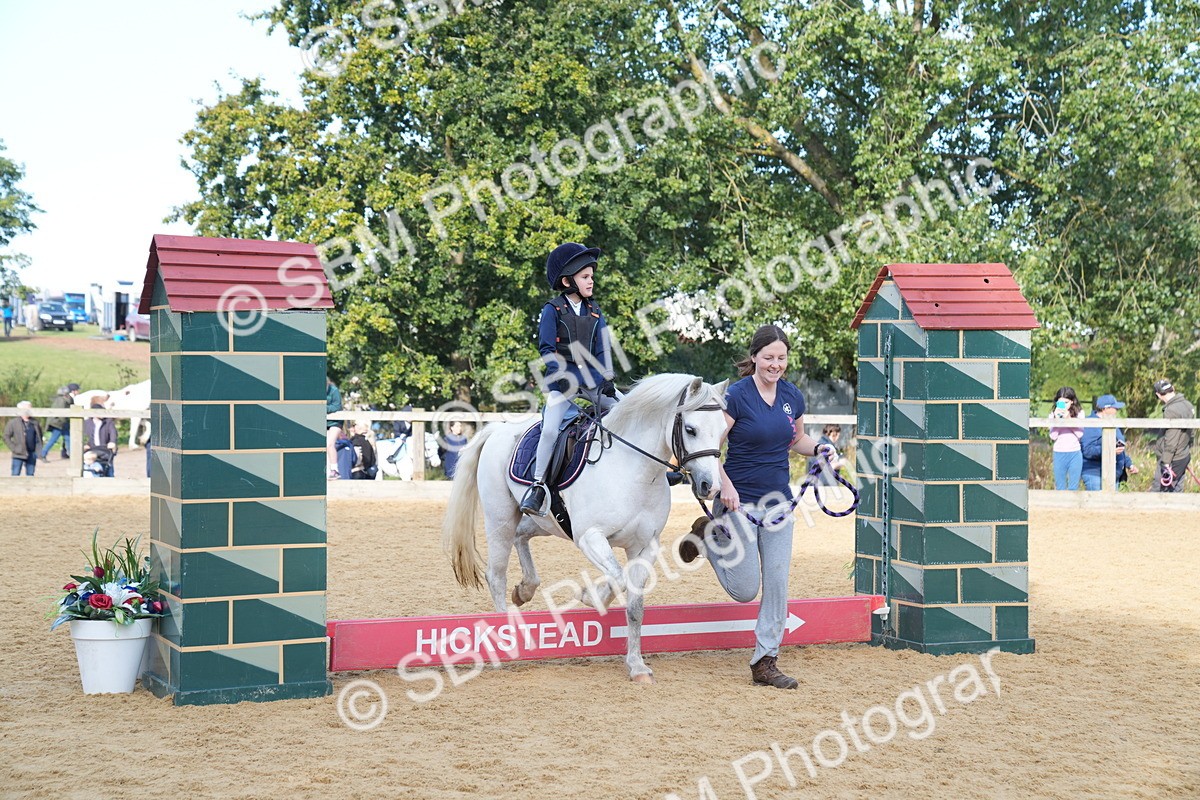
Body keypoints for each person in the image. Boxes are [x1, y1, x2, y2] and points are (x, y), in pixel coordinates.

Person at [692, 325, 834, 690]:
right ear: (754, 357)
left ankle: (765, 660)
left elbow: (797, 438)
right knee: (744, 590)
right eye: (768, 357)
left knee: (777, 582)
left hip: (778, 505)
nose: (775, 364)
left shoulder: (792, 397)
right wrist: (726, 485)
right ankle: (709, 538)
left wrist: (819, 448)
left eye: (781, 358)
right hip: (738, 503)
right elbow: (710, 446)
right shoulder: (737, 396)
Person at [519, 242, 618, 516]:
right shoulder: (552, 310)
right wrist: (558, 377)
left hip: (592, 380)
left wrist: (608, 378)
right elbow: (546, 349)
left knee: (626, 408)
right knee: (550, 429)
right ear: (567, 281)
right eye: (585, 277)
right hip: (562, 381)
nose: (591, 281)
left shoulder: (596, 311)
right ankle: (537, 486)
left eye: (592, 276)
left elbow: (603, 349)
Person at [1081, 394, 1137, 491]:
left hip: (1113, 473)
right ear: (1105, 409)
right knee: (1098, 504)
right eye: (1114, 408)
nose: (1117, 410)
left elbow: (1118, 446)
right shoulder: (1090, 424)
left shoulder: (1113, 423)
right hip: (1095, 473)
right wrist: (1109, 450)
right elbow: (1088, 451)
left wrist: (1129, 464)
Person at [1151, 379, 1195, 493]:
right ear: (1173, 389)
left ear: (1158, 395)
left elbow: (1171, 440)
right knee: (1177, 491)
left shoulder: (1171, 410)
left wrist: (1166, 462)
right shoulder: (1188, 405)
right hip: (1183, 455)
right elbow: (1192, 434)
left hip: (1172, 459)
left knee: (1160, 492)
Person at [1048, 386, 1084, 490]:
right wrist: (1057, 420)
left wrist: (1068, 420)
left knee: (1073, 487)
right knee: (1060, 487)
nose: (1063, 406)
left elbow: (1080, 434)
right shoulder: (1053, 415)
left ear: (1072, 402)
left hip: (1075, 452)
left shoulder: (1079, 413)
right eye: (1061, 403)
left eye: (1066, 402)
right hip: (1059, 452)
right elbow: (1053, 436)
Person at [4, 401, 44, 476]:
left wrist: (38, 450)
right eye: (28, 408)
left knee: (30, 475)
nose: (30, 411)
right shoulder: (13, 422)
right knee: (15, 474)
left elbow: (39, 436)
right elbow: (6, 436)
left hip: (32, 453)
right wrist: (14, 448)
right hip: (18, 453)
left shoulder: (35, 422)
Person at [86, 400, 119, 476]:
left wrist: (112, 442)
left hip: (105, 448)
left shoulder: (108, 422)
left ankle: (110, 477)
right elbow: (84, 436)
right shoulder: (87, 423)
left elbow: (113, 433)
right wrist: (85, 444)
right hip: (91, 448)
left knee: (108, 464)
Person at [40, 386, 73, 461]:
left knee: (68, 439)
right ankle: (43, 453)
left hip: (62, 423)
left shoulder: (66, 399)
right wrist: (64, 421)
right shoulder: (61, 400)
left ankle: (72, 454)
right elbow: (60, 413)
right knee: (54, 439)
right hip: (58, 423)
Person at [326, 376, 344, 479]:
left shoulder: (334, 390)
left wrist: (322, 407)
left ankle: (335, 470)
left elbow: (337, 406)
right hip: (324, 421)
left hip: (335, 422)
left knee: (330, 444)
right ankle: (327, 470)